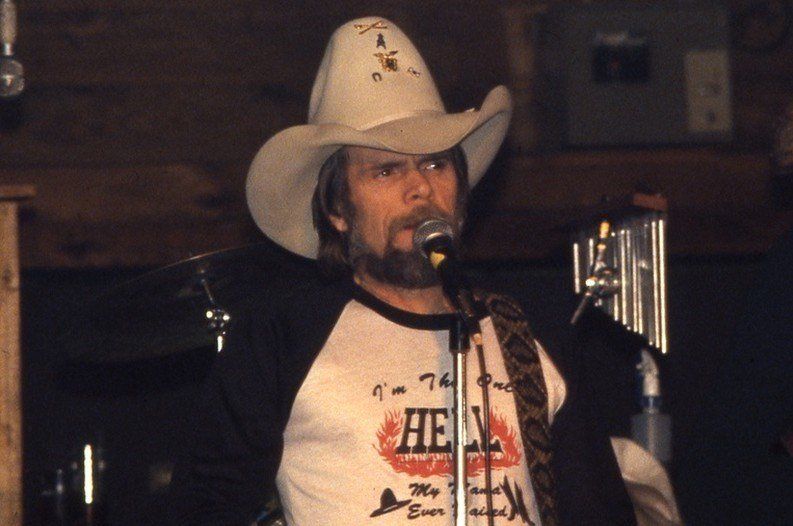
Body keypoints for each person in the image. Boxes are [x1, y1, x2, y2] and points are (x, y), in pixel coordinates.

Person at [169, 17, 635, 525]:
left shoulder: (526, 333)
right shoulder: (282, 335)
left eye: (435, 164)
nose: (419, 188)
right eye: (386, 170)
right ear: (337, 209)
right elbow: (202, 508)